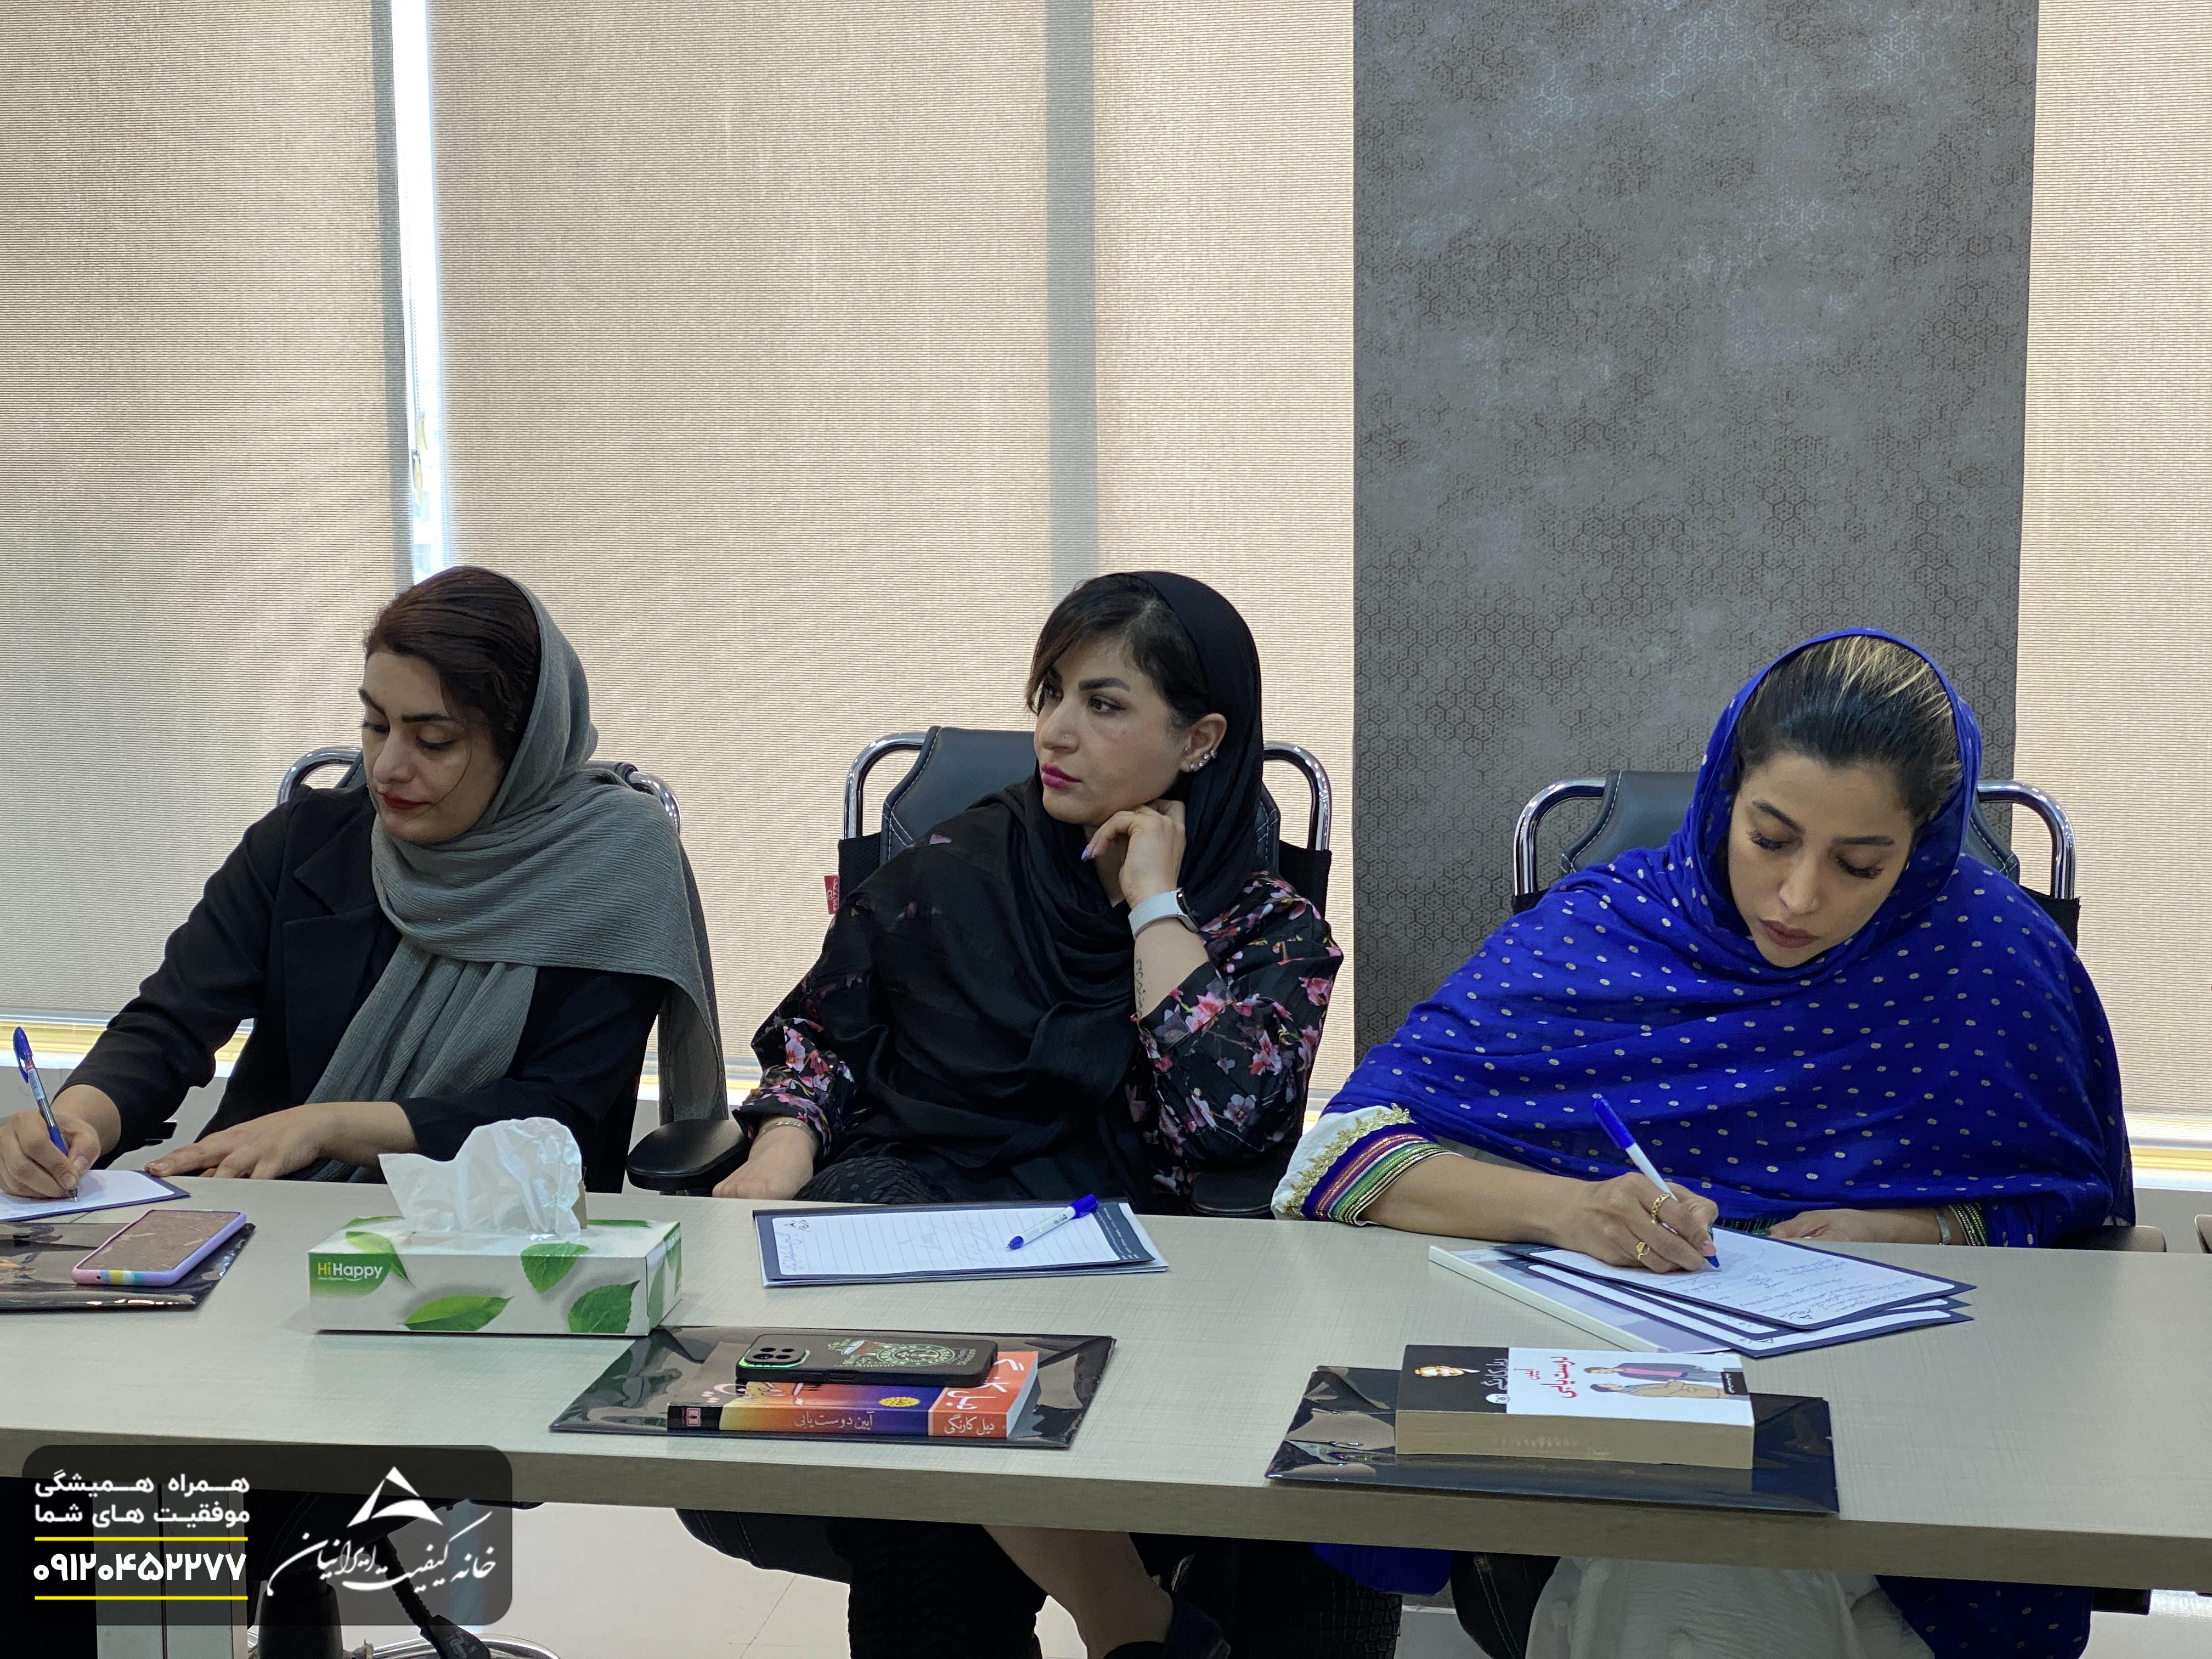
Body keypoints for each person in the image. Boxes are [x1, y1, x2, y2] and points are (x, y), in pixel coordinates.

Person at [1273, 631, 2130, 1659]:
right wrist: (1570, 1210)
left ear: (1926, 847)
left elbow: (2071, 1216)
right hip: (1624, 1413)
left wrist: (1929, 1227)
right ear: (1725, 798)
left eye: (1860, 864)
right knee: (1710, 1561)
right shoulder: (1604, 931)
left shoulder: (1990, 957)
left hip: (1914, 1421)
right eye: (1770, 839)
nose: (1799, 897)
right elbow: (1342, 1160)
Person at [703, 572, 1373, 1659]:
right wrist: (779, 1151)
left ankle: (1125, 1617)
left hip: (1141, 1254)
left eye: (1104, 704)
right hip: (926, 1213)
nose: (1056, 731)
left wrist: (1154, 906)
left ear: (1200, 741)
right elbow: (823, 1038)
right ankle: (1133, 1620)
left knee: (924, 1454)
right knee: (869, 1238)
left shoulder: (1269, 928)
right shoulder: (953, 867)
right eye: (1050, 694)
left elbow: (1225, 1126)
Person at [0, 566, 723, 1200]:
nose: (386, 768)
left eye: (433, 740)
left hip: (504, 1237)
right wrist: (79, 1119)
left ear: (525, 746)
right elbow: (169, 1025)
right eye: (376, 726)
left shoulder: (609, 868)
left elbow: (559, 1112)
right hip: (268, 1221)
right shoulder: (306, 843)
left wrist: (328, 1127)